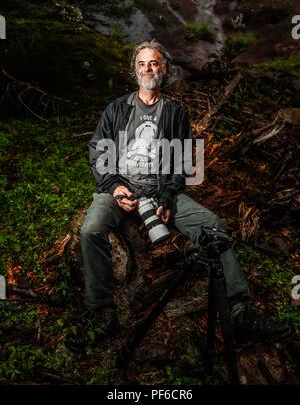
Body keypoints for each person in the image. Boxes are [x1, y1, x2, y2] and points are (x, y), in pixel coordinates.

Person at [66, 40, 292, 352]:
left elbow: (182, 162)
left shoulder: (174, 113)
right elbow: (99, 153)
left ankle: (239, 312)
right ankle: (102, 313)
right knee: (91, 229)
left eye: (155, 63)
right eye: (143, 63)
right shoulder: (116, 109)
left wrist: (169, 196)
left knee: (211, 224)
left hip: (159, 190)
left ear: (164, 69)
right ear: (135, 70)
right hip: (119, 187)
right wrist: (115, 187)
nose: (149, 68)